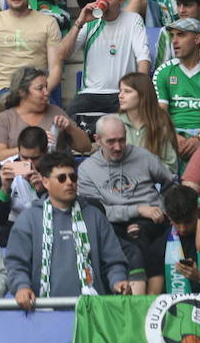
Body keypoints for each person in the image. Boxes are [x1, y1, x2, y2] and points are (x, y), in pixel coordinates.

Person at [6, 151, 132, 306]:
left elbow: (114, 261)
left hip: (92, 311)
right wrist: (21, 287)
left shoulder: (94, 216)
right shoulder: (28, 219)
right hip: (43, 314)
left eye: (73, 177)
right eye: (61, 178)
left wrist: (118, 281)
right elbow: (16, 264)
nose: (69, 182)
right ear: (45, 182)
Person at [78, 114, 175, 294]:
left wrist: (160, 208)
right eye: (111, 141)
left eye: (122, 140)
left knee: (141, 237)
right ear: (97, 140)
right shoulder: (87, 170)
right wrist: (137, 210)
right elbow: (95, 211)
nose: (118, 147)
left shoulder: (144, 157)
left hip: (151, 220)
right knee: (133, 245)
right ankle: (143, 302)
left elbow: (170, 184)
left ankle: (145, 302)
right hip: (112, 222)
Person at [59, 0, 151, 119]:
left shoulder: (132, 20)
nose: (104, 1)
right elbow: (62, 54)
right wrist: (79, 22)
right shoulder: (89, 22)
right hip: (91, 93)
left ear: (120, 1)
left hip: (121, 93)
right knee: (67, 123)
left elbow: (143, 58)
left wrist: (137, 91)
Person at [156, 17, 200, 159]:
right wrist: (174, 137)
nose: (174, 41)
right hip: (172, 133)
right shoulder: (163, 71)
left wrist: (199, 138)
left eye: (181, 35)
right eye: (173, 36)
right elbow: (160, 113)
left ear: (197, 39)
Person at [0, 66, 94, 164]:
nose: (46, 92)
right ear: (22, 92)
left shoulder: (56, 112)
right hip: (18, 175)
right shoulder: (5, 118)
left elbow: (86, 147)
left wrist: (70, 128)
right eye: (40, 88)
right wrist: (36, 145)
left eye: (46, 87)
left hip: (53, 175)